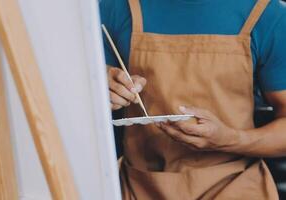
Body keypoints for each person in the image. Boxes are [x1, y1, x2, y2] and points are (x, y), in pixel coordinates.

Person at [100, 0, 286, 199]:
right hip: (139, 187)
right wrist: (99, 87)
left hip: (234, 186)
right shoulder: (115, 8)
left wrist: (230, 139)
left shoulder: (267, 14)